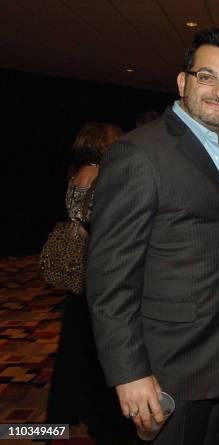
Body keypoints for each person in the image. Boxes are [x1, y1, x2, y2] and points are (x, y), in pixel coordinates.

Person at [86, 28, 219, 445]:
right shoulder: (139, 154)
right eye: (207, 77)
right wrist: (129, 372)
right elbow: (110, 277)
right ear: (183, 82)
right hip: (172, 366)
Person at [46, 122, 134, 445]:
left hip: (75, 275)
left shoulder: (76, 175)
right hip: (94, 269)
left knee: (77, 344)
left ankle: (75, 408)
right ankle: (101, 417)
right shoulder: (102, 178)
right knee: (97, 347)